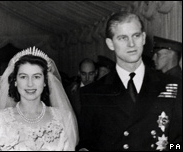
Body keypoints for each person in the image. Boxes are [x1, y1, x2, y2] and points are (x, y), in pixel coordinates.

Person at [77, 11, 182, 151]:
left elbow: (179, 142)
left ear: (144, 38)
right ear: (110, 43)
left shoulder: (172, 86)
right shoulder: (93, 93)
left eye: (136, 36)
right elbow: (88, 143)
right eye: (122, 38)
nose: (131, 44)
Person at [0, 47, 78, 151]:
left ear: (45, 81)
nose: (30, 84)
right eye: (23, 77)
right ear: (15, 81)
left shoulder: (64, 118)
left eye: (36, 77)